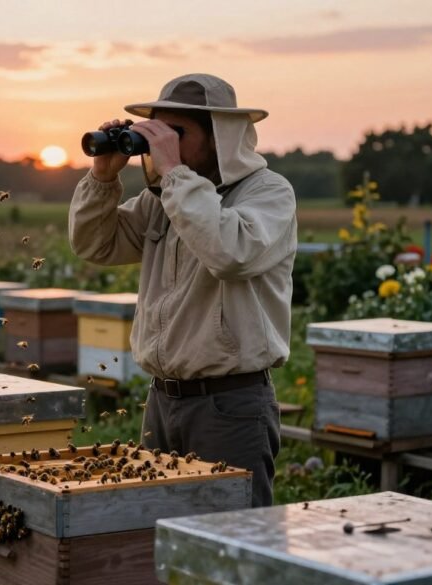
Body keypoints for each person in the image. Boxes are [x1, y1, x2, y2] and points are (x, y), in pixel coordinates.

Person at [68, 73, 297, 507]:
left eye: (176, 133)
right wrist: (102, 177)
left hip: (229, 406)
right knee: (161, 539)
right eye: (158, 132)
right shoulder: (164, 199)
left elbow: (232, 252)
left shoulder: (268, 193)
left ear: (220, 137)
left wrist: (173, 173)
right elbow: (95, 244)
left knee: (231, 547)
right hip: (162, 401)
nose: (161, 146)